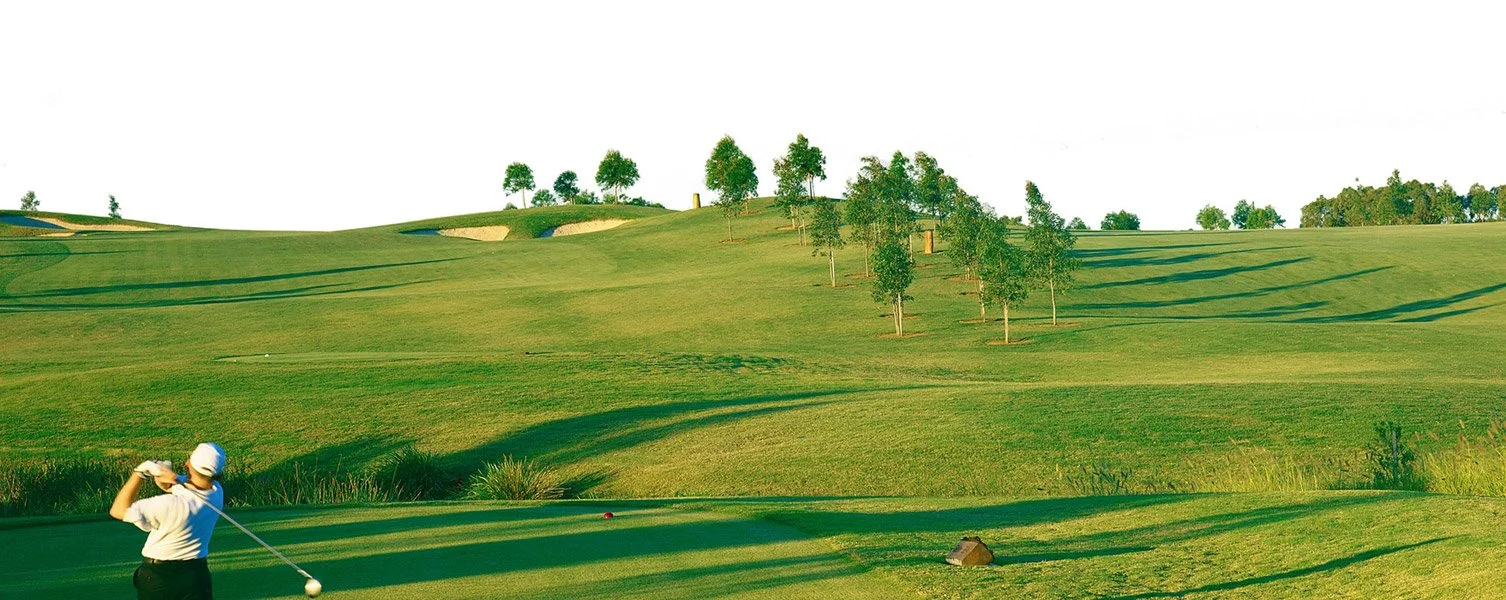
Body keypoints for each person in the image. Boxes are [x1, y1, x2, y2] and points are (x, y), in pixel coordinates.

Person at [109, 442, 226, 600]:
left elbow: (118, 510)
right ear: (217, 474)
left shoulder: (169, 504)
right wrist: (173, 477)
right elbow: (183, 487)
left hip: (159, 578)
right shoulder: (216, 492)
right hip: (196, 575)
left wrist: (140, 473)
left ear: (187, 465)